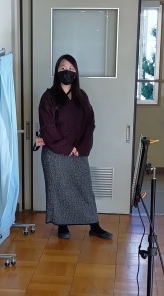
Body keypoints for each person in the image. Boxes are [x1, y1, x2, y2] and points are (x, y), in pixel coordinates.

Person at [36, 54, 112, 240]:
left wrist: (81, 148)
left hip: (78, 153)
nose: (67, 71)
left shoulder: (82, 97)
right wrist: (66, 148)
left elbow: (90, 123)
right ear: (56, 72)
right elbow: (48, 127)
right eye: (62, 68)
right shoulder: (48, 97)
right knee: (59, 190)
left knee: (84, 189)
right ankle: (62, 225)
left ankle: (94, 225)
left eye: (71, 68)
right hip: (55, 154)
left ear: (76, 73)